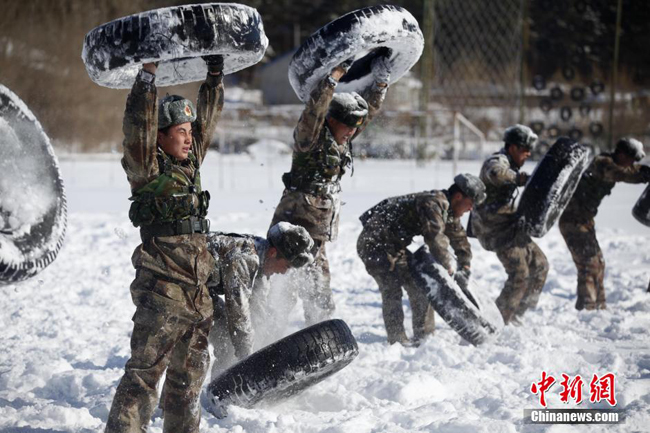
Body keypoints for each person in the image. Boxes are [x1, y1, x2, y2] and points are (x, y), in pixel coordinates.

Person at [105, 55, 224, 433]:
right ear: (159, 136)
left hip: (197, 294)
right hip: (163, 291)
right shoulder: (146, 167)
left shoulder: (190, 166)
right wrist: (147, 77)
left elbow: (208, 122)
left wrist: (215, 77)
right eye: (180, 131)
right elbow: (137, 124)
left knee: (187, 384)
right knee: (143, 377)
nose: (189, 138)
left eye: (190, 131)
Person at [269, 54, 391, 325]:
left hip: (317, 233)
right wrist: (332, 78)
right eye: (348, 126)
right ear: (333, 120)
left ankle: (319, 334)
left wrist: (380, 86)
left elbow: (367, 114)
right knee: (284, 288)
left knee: (319, 292)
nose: (352, 132)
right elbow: (313, 111)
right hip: (294, 227)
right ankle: (268, 335)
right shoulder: (311, 139)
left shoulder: (341, 138)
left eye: (354, 128)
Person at [357, 174, 486, 346]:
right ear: (458, 197)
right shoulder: (433, 203)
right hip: (374, 244)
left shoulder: (448, 210)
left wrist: (465, 264)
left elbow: (459, 238)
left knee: (418, 286)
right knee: (391, 288)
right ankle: (397, 340)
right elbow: (434, 238)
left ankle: (424, 337)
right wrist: (447, 265)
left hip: (395, 245)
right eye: (470, 203)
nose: (471, 209)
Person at [205, 222, 315, 378]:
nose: (284, 272)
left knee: (228, 340)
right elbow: (238, 314)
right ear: (273, 253)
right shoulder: (245, 259)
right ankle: (221, 385)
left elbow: (258, 310)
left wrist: (263, 348)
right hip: (180, 278)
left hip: (204, 289)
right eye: (286, 266)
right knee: (198, 347)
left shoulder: (263, 264)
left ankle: (224, 384)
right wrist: (249, 361)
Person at [470, 124, 549, 325]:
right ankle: (497, 321)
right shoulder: (497, 161)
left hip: (510, 225)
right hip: (493, 229)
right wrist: (518, 178)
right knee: (520, 274)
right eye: (525, 149)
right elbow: (495, 173)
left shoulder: (512, 164)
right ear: (512, 147)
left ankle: (517, 315)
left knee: (540, 265)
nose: (528, 154)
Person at [559, 137, 650, 310]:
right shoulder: (602, 163)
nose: (632, 163)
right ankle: (587, 308)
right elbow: (622, 173)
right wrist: (643, 175)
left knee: (598, 263)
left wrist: (644, 170)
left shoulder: (616, 163)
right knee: (588, 263)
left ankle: (599, 308)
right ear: (621, 155)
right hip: (572, 220)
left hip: (585, 220)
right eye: (631, 159)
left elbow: (630, 169)